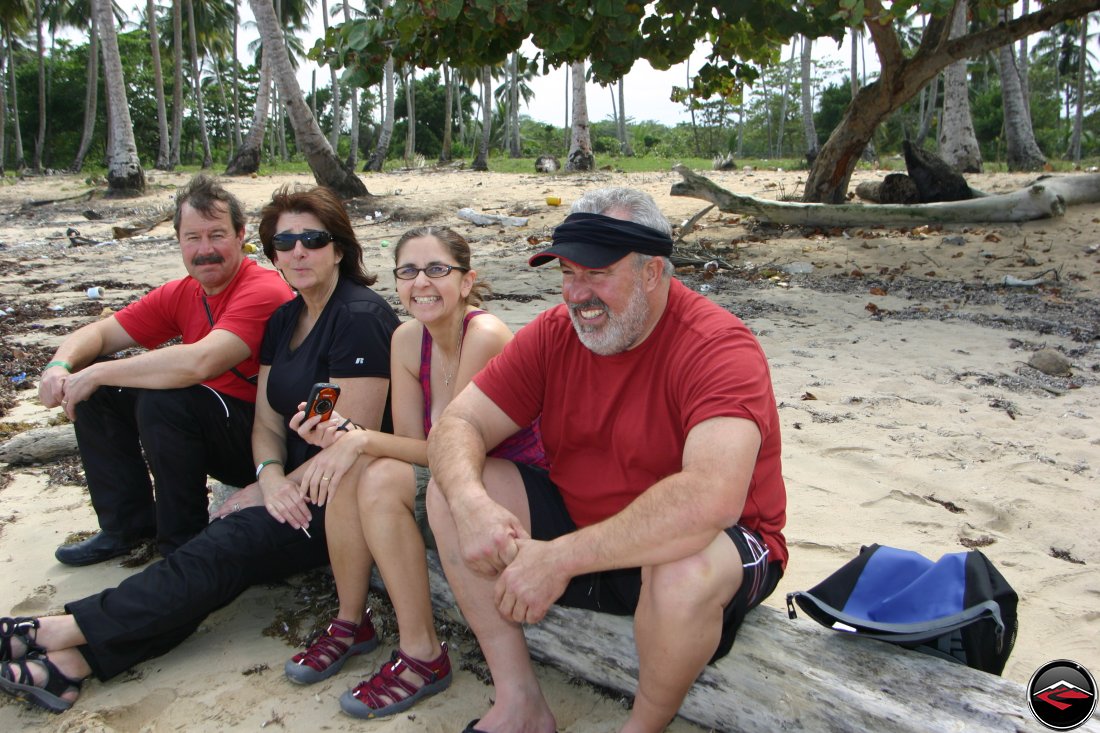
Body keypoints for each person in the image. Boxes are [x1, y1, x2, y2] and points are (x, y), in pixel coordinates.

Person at [0, 185, 400, 713]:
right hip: (288, 483)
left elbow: (350, 445)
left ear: (339, 248)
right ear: (272, 250)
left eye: (313, 239)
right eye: (286, 241)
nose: (299, 250)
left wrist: (270, 491)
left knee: (222, 546)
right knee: (216, 553)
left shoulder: (359, 318)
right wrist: (269, 474)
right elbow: (265, 420)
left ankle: (63, 631)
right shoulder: (287, 318)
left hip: (338, 499)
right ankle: (77, 661)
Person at [426, 188, 787, 733]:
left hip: (718, 546)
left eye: (596, 273)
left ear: (652, 272)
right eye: (567, 273)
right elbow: (458, 423)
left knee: (683, 569)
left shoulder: (718, 346)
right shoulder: (553, 334)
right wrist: (472, 504)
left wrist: (560, 559)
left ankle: (641, 727)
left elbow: (710, 499)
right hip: (585, 529)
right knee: (451, 491)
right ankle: (520, 701)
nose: (577, 294)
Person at [282, 226, 546, 719]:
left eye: (437, 270)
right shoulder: (407, 339)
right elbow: (413, 449)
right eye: (408, 271)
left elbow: (451, 450)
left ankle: (420, 652)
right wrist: (343, 435)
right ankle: (354, 623)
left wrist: (358, 437)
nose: (421, 282)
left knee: (369, 465)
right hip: (447, 480)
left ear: (466, 282)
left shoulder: (484, 335)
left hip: (506, 486)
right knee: (361, 467)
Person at [40, 174, 294, 565]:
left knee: (167, 399)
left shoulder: (263, 288)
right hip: (212, 425)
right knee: (102, 391)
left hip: (265, 440)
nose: (205, 249)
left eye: (217, 235)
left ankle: (182, 543)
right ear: (178, 240)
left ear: (241, 235)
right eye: (193, 237)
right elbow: (100, 333)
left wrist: (96, 373)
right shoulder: (182, 293)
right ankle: (127, 527)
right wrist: (61, 366)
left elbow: (200, 361)